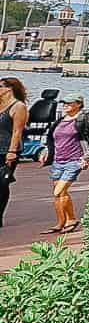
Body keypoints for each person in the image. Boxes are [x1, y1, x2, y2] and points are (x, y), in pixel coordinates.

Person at [39, 95, 89, 233]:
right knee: (60, 194)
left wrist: (87, 156)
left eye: (69, 103)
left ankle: (71, 219)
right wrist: (46, 151)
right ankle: (62, 222)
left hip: (74, 160)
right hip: (58, 160)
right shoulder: (60, 121)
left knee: (58, 191)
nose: (65, 105)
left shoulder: (84, 119)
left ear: (78, 104)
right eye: (64, 103)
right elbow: (52, 139)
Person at [0, 77, 26, 229]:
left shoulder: (18, 107)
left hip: (6, 151)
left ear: (8, 89)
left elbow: (17, 131)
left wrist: (12, 151)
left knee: (2, 184)